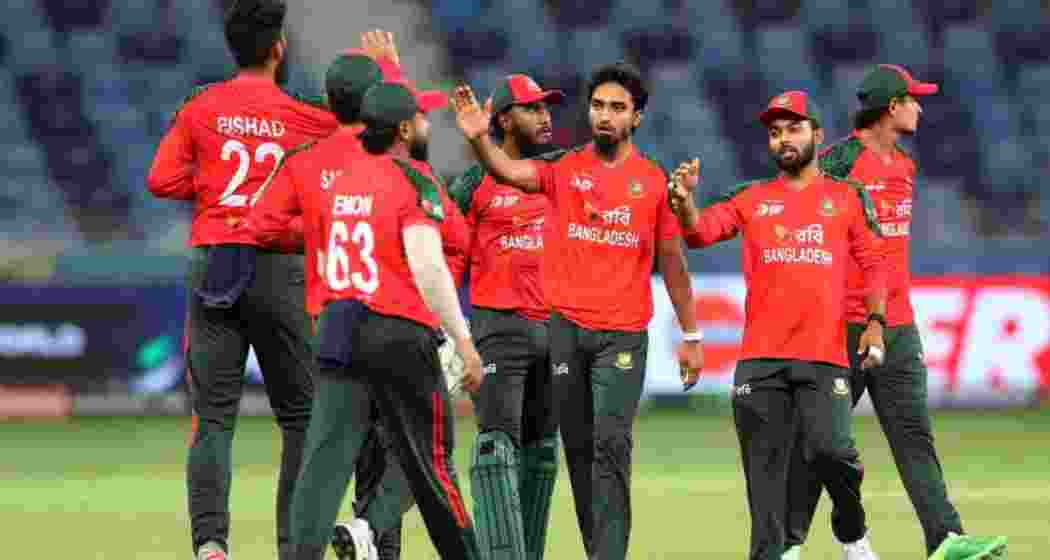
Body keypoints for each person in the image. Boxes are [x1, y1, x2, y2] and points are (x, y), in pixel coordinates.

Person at [451, 62, 705, 560]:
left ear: (637, 118)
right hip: (563, 332)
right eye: (598, 106)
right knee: (578, 453)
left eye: (617, 108)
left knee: (611, 447)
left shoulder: (652, 182)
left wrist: (692, 336)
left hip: (622, 336)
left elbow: (673, 263)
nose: (605, 116)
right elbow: (507, 172)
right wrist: (480, 140)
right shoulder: (564, 169)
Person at [244, 37, 472, 560]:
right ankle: (372, 533)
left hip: (337, 326)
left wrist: (321, 232)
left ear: (329, 100)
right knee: (420, 457)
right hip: (403, 324)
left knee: (324, 461)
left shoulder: (306, 160)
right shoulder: (402, 167)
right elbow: (454, 239)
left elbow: (260, 226)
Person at [782, 65, 1009, 560]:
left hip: (899, 325)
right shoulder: (839, 161)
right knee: (823, 446)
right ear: (891, 107)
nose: (920, 107)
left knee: (914, 438)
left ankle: (945, 539)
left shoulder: (905, 165)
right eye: (913, 99)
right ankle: (786, 545)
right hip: (841, 327)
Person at [147, 2, 338, 558]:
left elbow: (160, 179)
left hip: (216, 261)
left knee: (212, 418)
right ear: (279, 48)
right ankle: (293, 547)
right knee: (302, 417)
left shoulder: (201, 107)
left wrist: (212, 190)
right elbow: (358, 143)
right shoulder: (307, 116)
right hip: (279, 265)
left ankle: (210, 546)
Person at [667, 90, 888, 560]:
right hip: (761, 363)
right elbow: (699, 232)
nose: (783, 139)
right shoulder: (752, 198)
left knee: (832, 454)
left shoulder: (846, 198)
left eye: (793, 128)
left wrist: (874, 323)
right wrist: (685, 202)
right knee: (765, 484)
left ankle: (851, 532)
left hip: (824, 357)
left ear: (817, 136)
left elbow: (874, 263)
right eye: (775, 132)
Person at [448, 73, 565, 560]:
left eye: (546, 107)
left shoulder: (562, 173)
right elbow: (450, 258)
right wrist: (449, 329)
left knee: (541, 455)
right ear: (503, 120)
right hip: (500, 331)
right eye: (532, 108)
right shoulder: (473, 183)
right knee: (497, 452)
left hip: (555, 331)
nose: (545, 116)